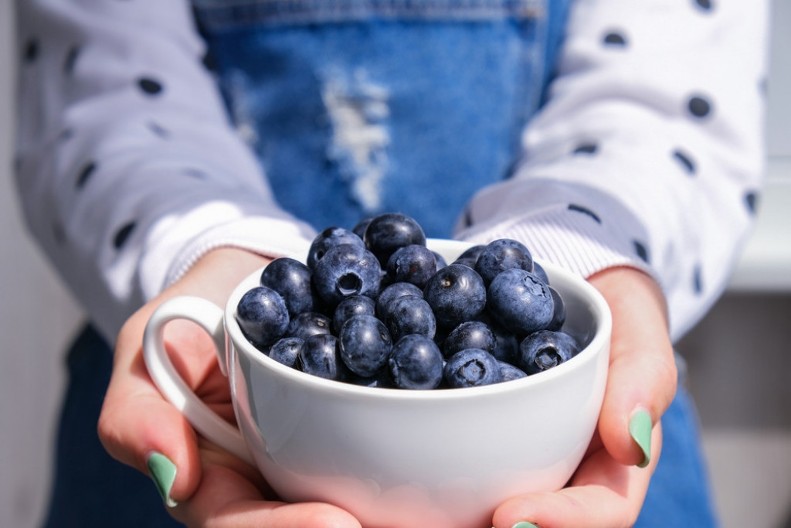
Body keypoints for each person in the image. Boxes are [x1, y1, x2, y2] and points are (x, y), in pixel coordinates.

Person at [14, 0, 769, 527]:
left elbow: (668, 101)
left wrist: (578, 247)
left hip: (579, 446)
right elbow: (100, 90)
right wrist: (207, 252)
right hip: (214, 414)